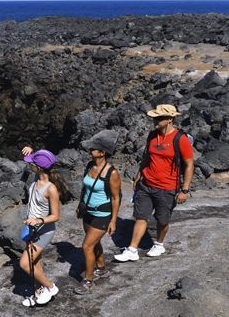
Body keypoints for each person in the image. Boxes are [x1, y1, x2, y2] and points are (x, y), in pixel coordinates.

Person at [115, 104, 194, 262]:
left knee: (162, 220)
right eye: (154, 118)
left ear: (170, 119)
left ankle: (159, 244)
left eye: (158, 118)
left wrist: (184, 190)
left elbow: (189, 164)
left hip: (167, 188)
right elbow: (147, 157)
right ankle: (132, 250)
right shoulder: (152, 135)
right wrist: (139, 174)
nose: (155, 120)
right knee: (140, 216)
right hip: (146, 184)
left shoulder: (180, 139)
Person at [18, 147, 69, 307]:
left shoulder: (50, 188)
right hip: (33, 228)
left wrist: (37, 220)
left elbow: (55, 216)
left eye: (32, 163)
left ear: (38, 167)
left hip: (44, 231)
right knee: (35, 262)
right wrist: (30, 150)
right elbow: (38, 161)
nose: (29, 165)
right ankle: (38, 290)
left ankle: (50, 287)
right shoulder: (36, 177)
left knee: (25, 264)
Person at [73, 133, 122, 295]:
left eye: (93, 148)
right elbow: (85, 188)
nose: (90, 150)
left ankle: (88, 280)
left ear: (103, 152)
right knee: (94, 243)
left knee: (87, 246)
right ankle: (101, 269)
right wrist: (81, 204)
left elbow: (116, 198)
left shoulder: (112, 173)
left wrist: (113, 221)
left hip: (102, 214)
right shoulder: (90, 166)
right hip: (87, 211)